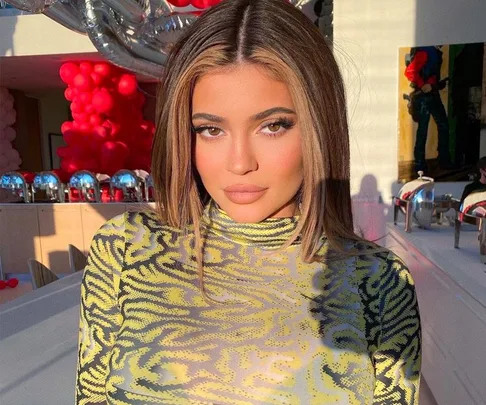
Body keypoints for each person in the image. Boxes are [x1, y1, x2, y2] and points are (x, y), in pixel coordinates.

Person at [75, 1, 421, 404]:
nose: (240, 163)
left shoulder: (378, 281)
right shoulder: (125, 249)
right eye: (210, 130)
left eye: (272, 126)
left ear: (318, 126)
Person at [405, 45, 452, 172]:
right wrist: (422, 84)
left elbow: (430, 74)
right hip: (424, 97)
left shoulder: (435, 52)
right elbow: (409, 72)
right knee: (423, 131)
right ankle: (420, 165)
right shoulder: (427, 51)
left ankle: (443, 160)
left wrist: (435, 84)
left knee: (443, 125)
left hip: (433, 95)